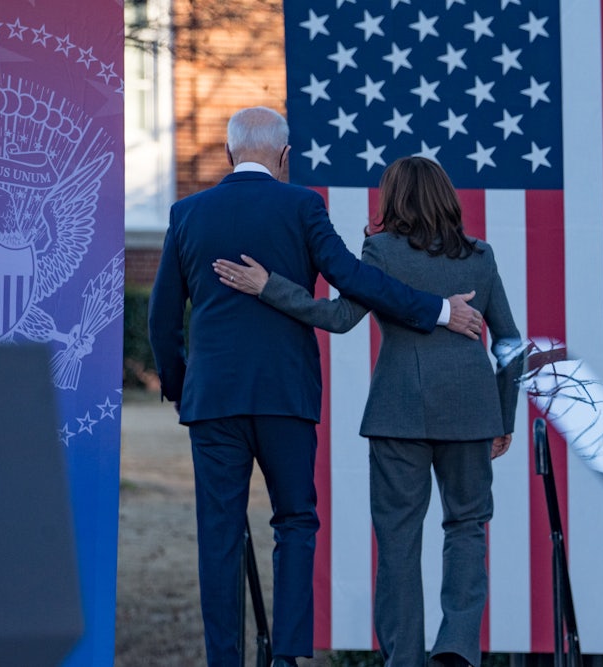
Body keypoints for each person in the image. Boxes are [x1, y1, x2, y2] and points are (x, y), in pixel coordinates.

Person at [147, 108, 485, 667]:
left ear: (230, 155)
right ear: (283, 157)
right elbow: (353, 280)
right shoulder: (302, 205)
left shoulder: (187, 213)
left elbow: (162, 317)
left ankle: (222, 660)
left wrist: (183, 388)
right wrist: (437, 310)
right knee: (296, 522)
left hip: (213, 403)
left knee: (218, 534)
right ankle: (287, 657)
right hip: (287, 397)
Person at [214, 156, 525, 667]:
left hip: (398, 414)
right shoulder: (481, 256)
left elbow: (337, 317)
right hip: (473, 412)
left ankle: (404, 658)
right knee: (467, 528)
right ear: (447, 198)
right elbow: (510, 344)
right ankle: (456, 650)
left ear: (393, 201)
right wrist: (504, 414)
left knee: (399, 538)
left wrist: (269, 285)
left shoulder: (379, 252)